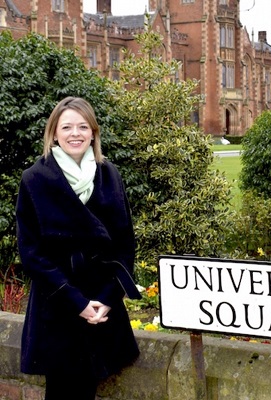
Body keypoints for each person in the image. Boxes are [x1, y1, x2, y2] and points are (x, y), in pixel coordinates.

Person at [16, 96, 142, 400]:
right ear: (54, 133)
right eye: (67, 127)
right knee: (60, 390)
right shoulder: (35, 179)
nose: (76, 133)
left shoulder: (109, 174)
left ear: (93, 133)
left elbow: (125, 243)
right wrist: (77, 303)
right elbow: (31, 253)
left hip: (101, 300)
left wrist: (108, 298)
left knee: (89, 388)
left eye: (83, 126)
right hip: (58, 301)